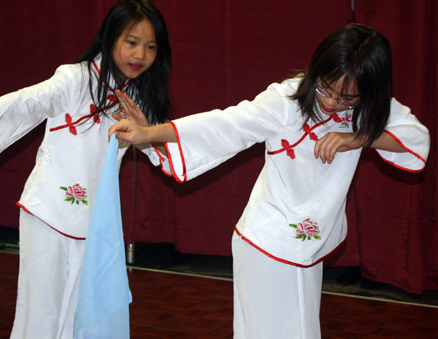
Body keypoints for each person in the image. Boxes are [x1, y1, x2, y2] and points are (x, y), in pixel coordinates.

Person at [109, 23, 430, 339]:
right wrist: (150, 133)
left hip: (306, 243)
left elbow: (415, 138)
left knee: (299, 330)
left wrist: (359, 137)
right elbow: (224, 125)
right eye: (324, 88)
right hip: (268, 241)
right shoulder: (286, 100)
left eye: (346, 98)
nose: (331, 102)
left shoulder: (369, 108)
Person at [0, 0, 171, 339]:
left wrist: (146, 133)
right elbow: (27, 101)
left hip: (95, 225)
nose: (140, 55)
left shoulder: (138, 99)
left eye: (150, 47)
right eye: (131, 42)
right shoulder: (74, 78)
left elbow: (165, 155)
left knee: (80, 316)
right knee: (40, 313)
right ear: (110, 37)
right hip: (48, 212)